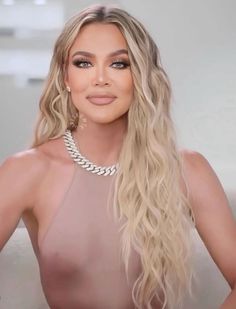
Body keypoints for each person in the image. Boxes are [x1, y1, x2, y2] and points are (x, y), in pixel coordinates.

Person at [0, 4, 236, 309]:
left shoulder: (187, 170)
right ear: (66, 77)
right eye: (83, 63)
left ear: (140, 76)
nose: (100, 79)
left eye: (119, 64)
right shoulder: (27, 171)